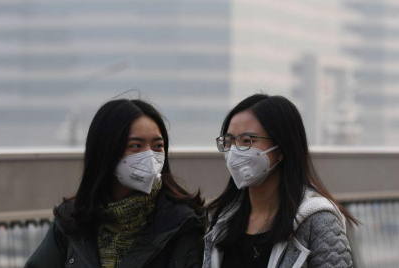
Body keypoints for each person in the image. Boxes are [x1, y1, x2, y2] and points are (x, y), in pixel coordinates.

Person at [25, 98, 205, 268]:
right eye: (136, 146)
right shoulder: (72, 219)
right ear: (106, 151)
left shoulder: (183, 222)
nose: (150, 156)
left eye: (157, 146)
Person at [203, 94, 357, 268]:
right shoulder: (222, 221)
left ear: (281, 148)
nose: (235, 152)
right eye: (230, 141)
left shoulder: (317, 220)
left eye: (247, 141)